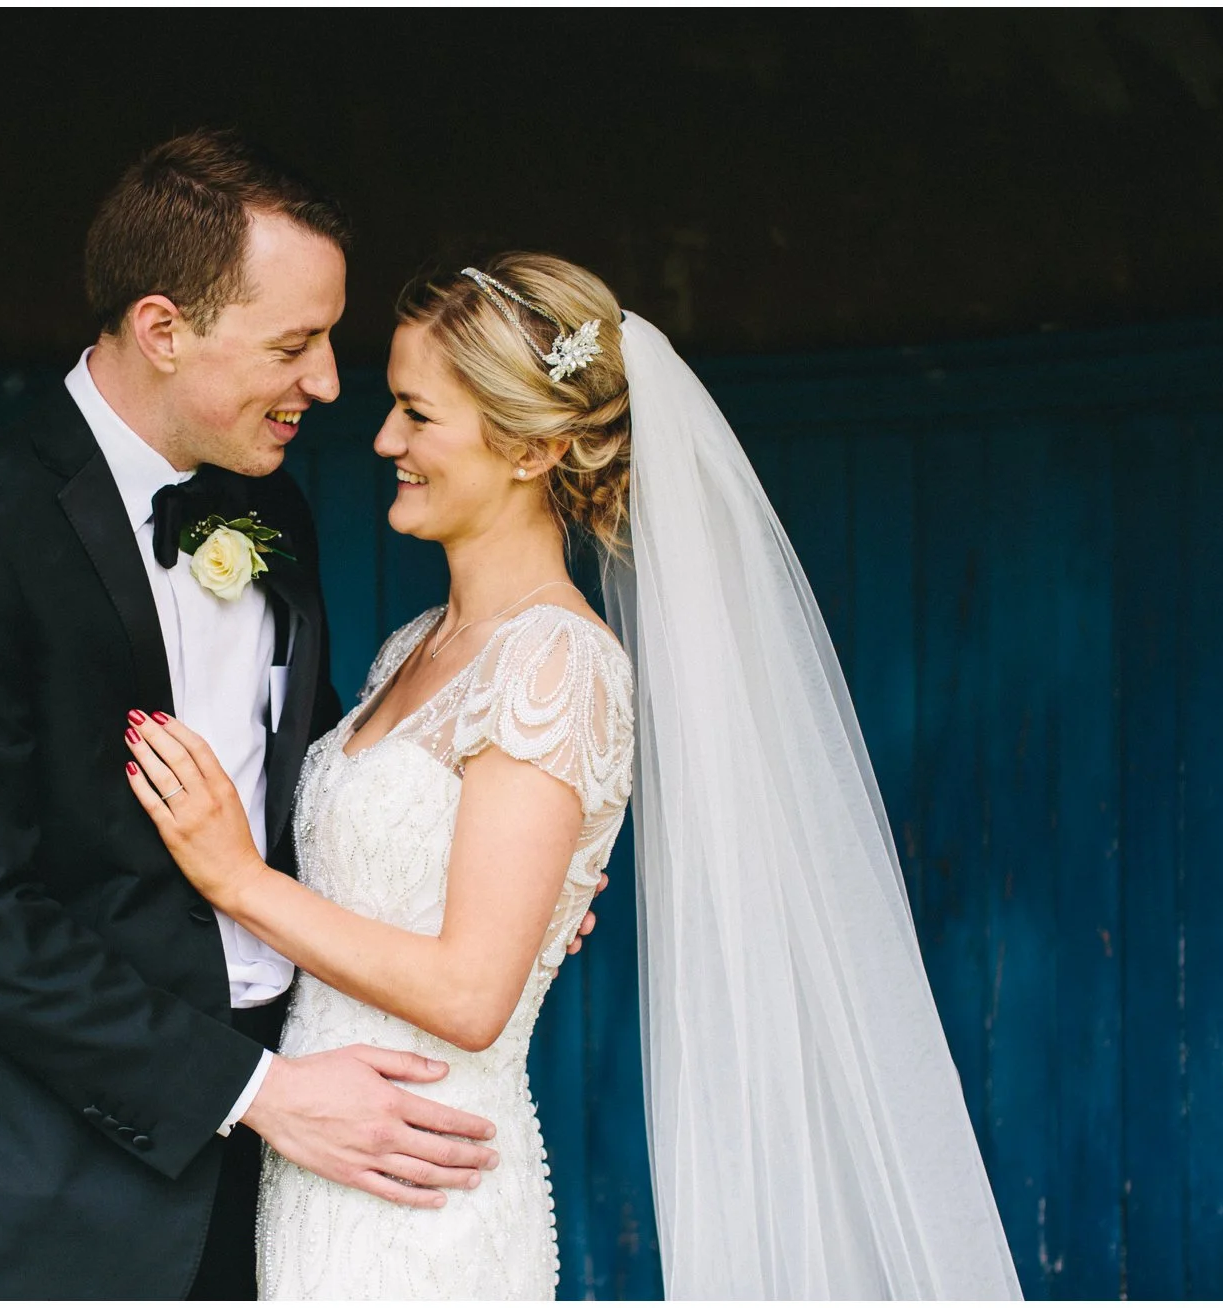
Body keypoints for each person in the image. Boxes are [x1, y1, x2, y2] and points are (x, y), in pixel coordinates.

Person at [126, 253, 1025, 1298]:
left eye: (418, 415)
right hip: (327, 1175)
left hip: (424, 1198)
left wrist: (237, 878)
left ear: (535, 446)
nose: (384, 442)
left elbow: (469, 995)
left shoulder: (556, 662)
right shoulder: (411, 649)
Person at [0, 134, 598, 1300]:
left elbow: (310, 788)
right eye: (294, 345)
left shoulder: (273, 508)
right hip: (52, 1191)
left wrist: (507, 884)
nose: (328, 385)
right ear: (163, 328)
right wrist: (256, 1097)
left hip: (311, 1174)